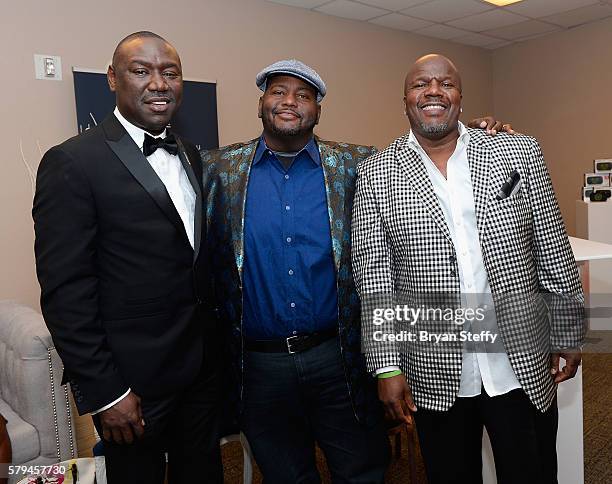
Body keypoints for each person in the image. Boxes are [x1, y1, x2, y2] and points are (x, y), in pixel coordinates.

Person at [202, 58, 509, 483]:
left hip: (339, 360)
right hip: (259, 367)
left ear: (318, 111)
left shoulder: (356, 166)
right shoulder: (217, 171)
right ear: (260, 104)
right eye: (278, 92)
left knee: (362, 471)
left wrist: (474, 130)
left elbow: (427, 150)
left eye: (304, 95)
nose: (290, 102)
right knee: (285, 475)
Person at [351, 54, 585, 484]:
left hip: (521, 361)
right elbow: (375, 279)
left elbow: (551, 247)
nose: (434, 91)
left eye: (446, 83)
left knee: (533, 473)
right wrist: (387, 366)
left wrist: (568, 331)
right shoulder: (374, 174)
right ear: (405, 99)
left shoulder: (517, 151)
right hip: (434, 370)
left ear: (460, 96)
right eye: (422, 84)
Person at [33, 31, 222, 483]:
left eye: (170, 73)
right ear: (113, 78)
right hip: (131, 383)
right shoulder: (72, 162)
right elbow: (66, 291)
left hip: (197, 371)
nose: (158, 83)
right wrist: (106, 392)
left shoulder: (191, 154)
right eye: (141, 71)